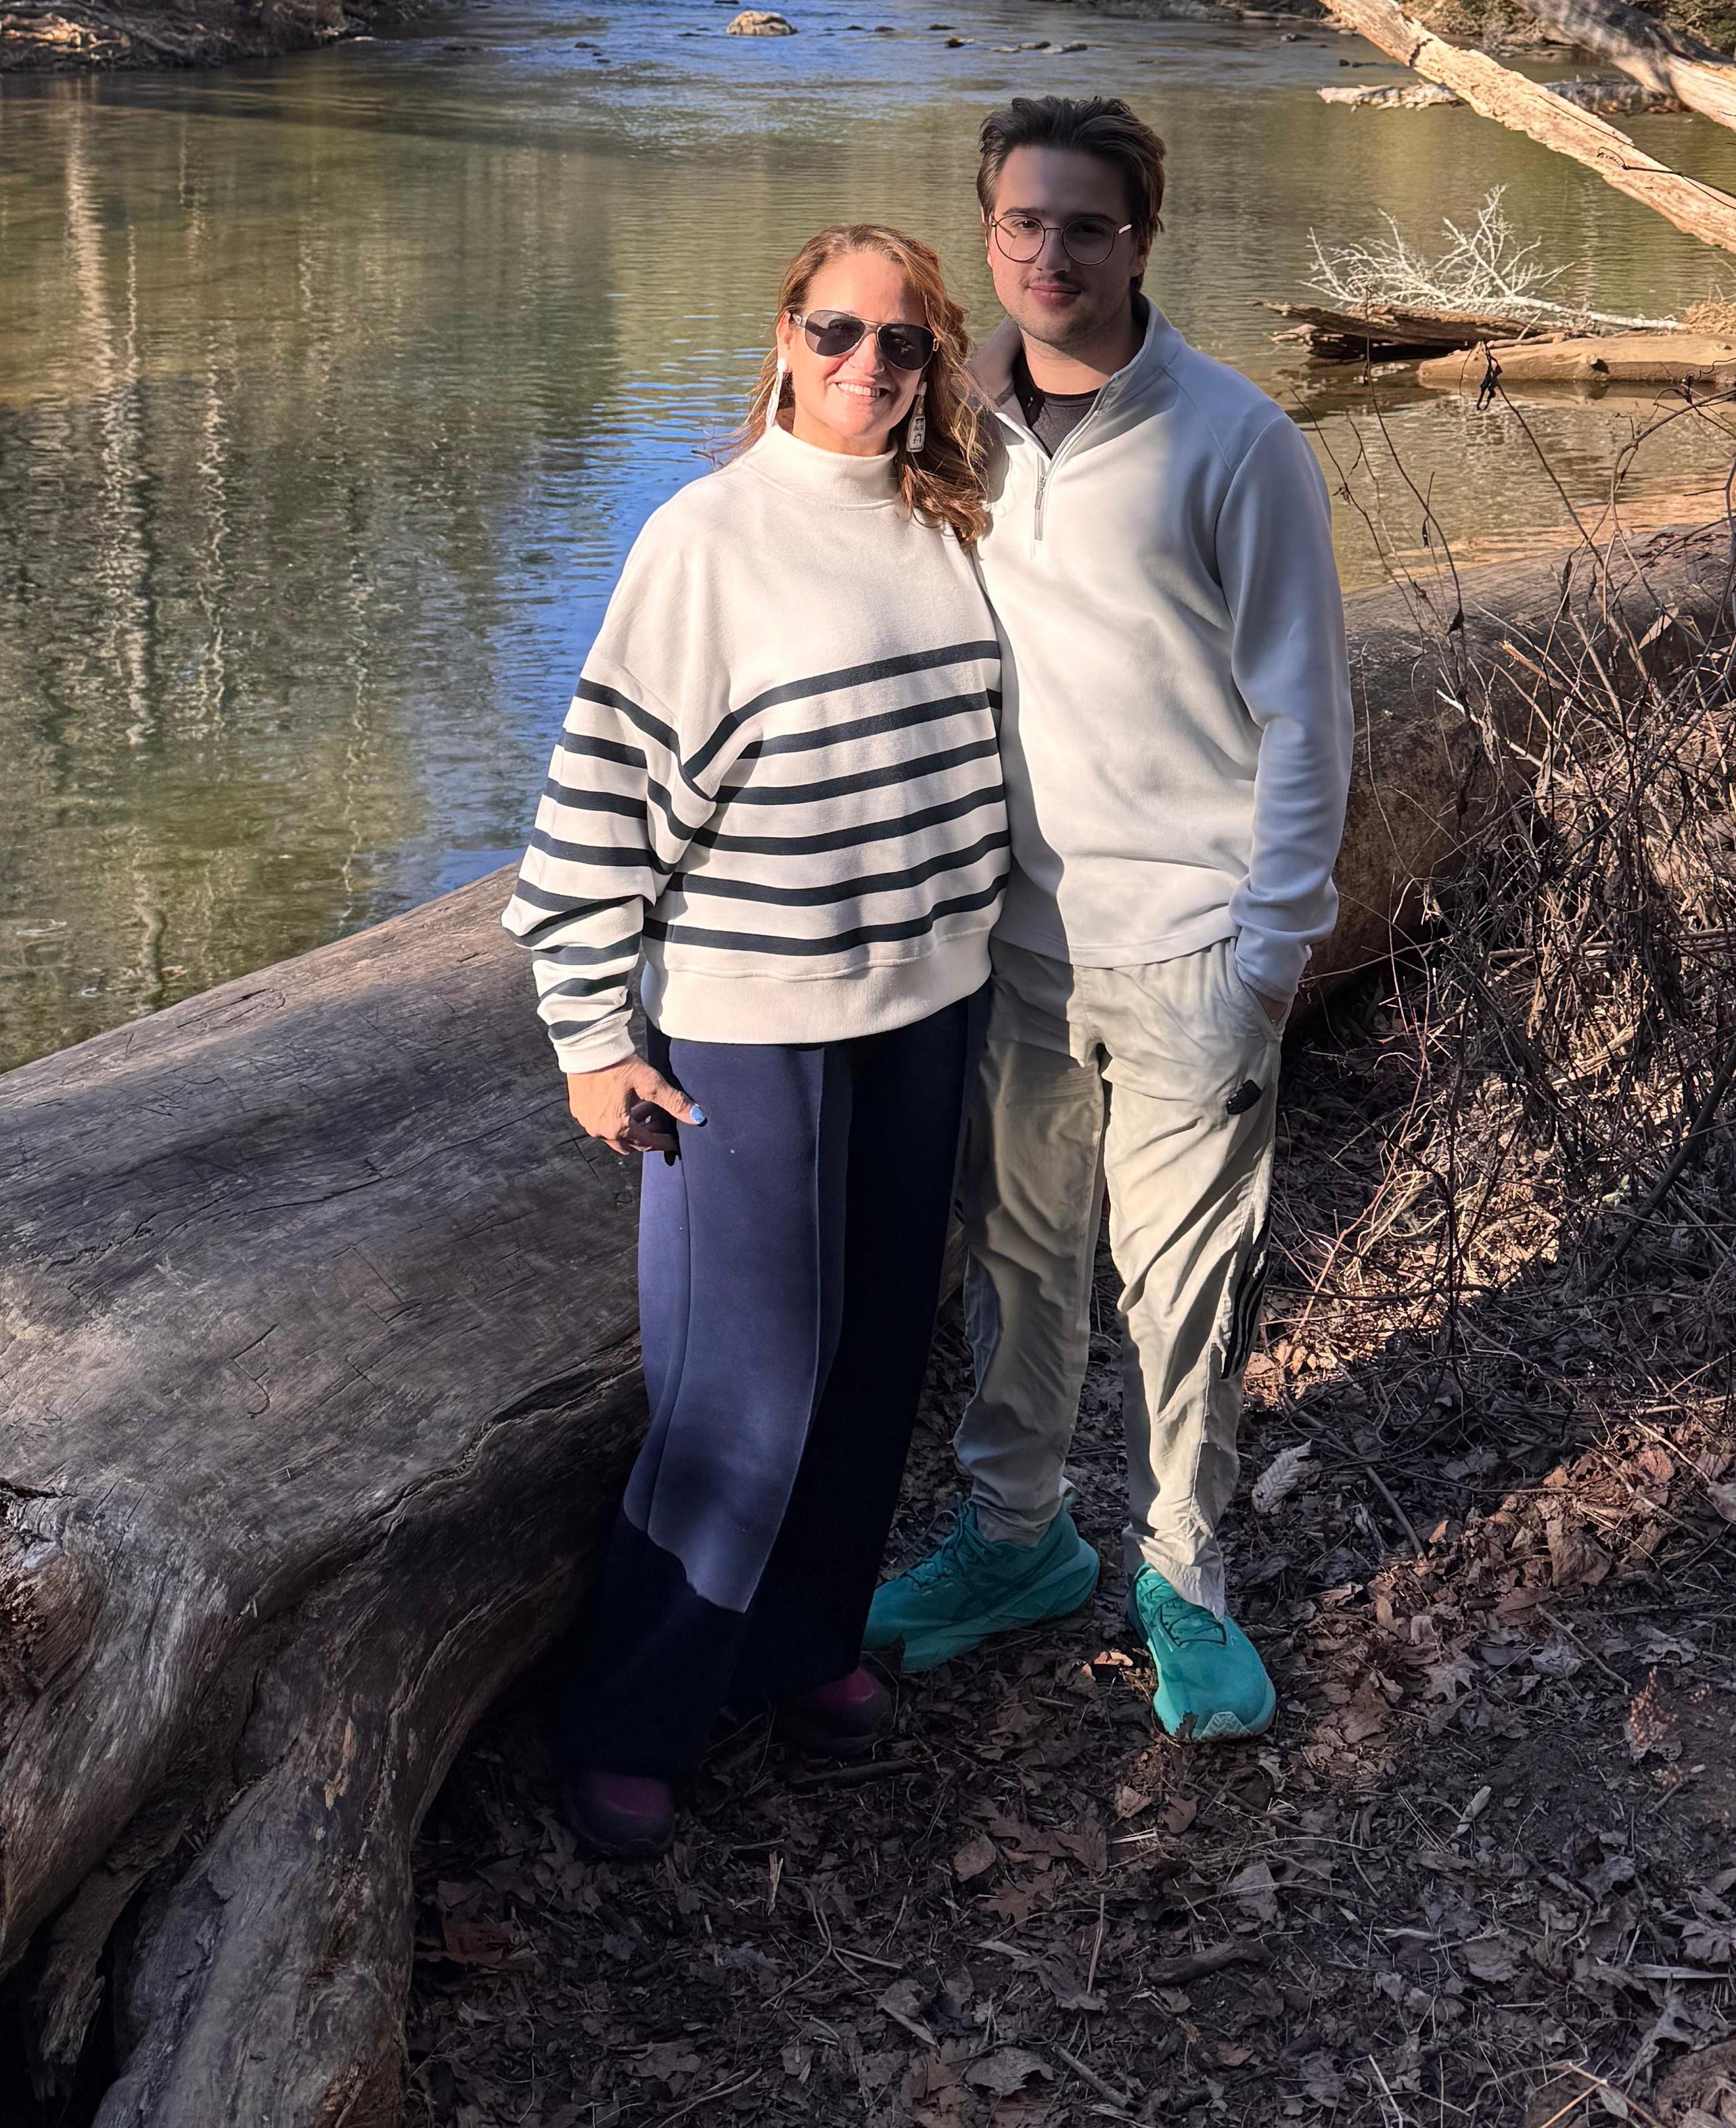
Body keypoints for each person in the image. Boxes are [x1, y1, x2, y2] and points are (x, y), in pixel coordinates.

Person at [505, 223, 1006, 1860]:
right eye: (839, 331)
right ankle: (631, 1717)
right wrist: (591, 1034)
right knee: (742, 1396)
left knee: (872, 1365)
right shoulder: (705, 539)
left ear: (939, 371)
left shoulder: (958, 525)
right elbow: (592, 810)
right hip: (748, 1033)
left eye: (907, 343)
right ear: (786, 337)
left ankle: (801, 1647)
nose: (870, 367)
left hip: (926, 1010)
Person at [868, 94, 1354, 1742]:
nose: (1049, 254)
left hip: (1194, 943)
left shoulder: (1236, 440)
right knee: (1015, 1266)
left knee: (1182, 1288)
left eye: (1085, 225)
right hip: (1012, 939)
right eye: (1020, 224)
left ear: (1145, 237)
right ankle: (1015, 1543)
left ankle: (1189, 1579)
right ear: (986, 234)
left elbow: (1307, 714)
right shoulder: (951, 425)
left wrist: (1275, 946)